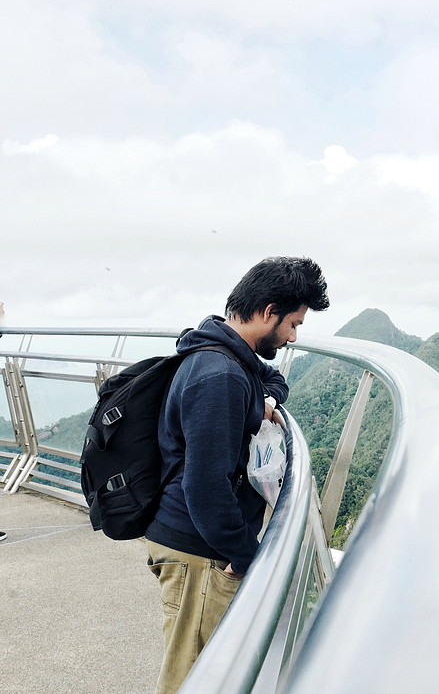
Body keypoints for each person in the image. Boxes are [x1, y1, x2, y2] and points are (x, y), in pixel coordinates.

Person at [144, 256, 329, 694]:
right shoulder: (220, 375)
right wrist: (249, 557)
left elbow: (274, 381)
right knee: (193, 676)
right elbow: (205, 488)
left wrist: (262, 399)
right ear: (269, 312)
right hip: (200, 549)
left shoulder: (230, 352)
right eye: (293, 324)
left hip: (200, 543)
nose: (293, 337)